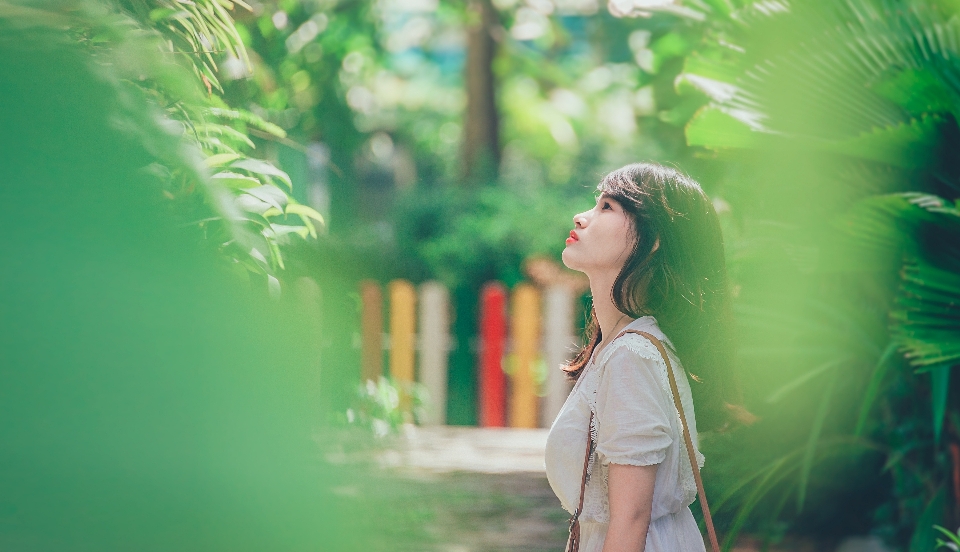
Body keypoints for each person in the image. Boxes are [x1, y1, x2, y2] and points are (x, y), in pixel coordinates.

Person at [545, 163, 738, 552]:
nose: (581, 217)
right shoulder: (621, 346)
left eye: (607, 207)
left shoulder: (631, 356)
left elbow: (631, 520)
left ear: (653, 242)